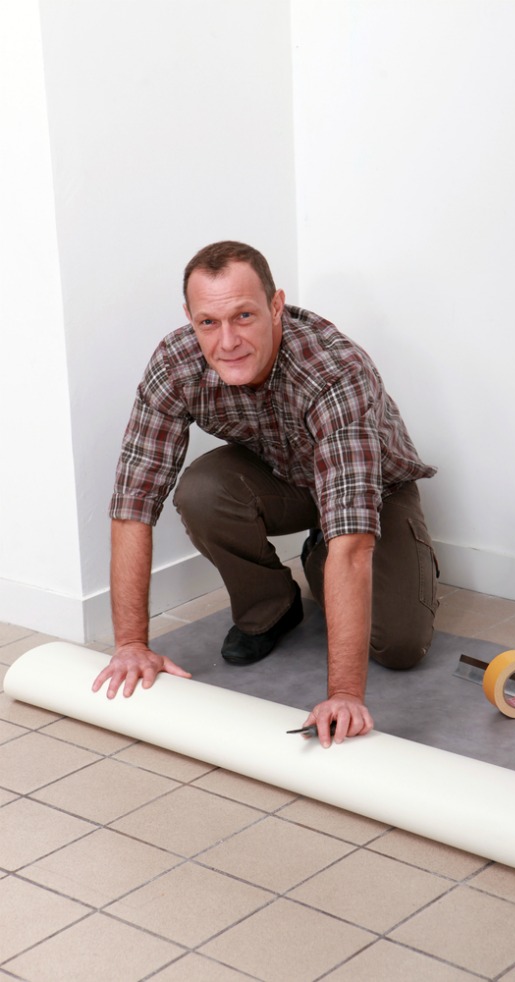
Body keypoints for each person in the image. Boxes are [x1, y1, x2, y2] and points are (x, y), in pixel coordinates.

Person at [92, 241, 438, 747]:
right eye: (208, 322)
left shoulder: (333, 370)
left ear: (276, 307)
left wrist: (343, 693)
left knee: (400, 646)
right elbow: (132, 506)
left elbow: (356, 543)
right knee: (202, 490)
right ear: (189, 318)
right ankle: (271, 608)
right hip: (282, 479)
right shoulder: (175, 364)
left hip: (372, 493)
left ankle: (322, 556)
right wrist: (130, 645)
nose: (227, 340)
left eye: (244, 315)